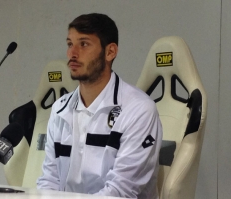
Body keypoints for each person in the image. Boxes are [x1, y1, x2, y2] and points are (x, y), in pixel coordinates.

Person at [37, 13, 163, 199]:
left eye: (84, 44)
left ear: (110, 52)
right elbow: (49, 180)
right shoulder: (59, 109)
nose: (72, 53)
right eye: (70, 44)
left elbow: (121, 192)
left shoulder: (139, 109)